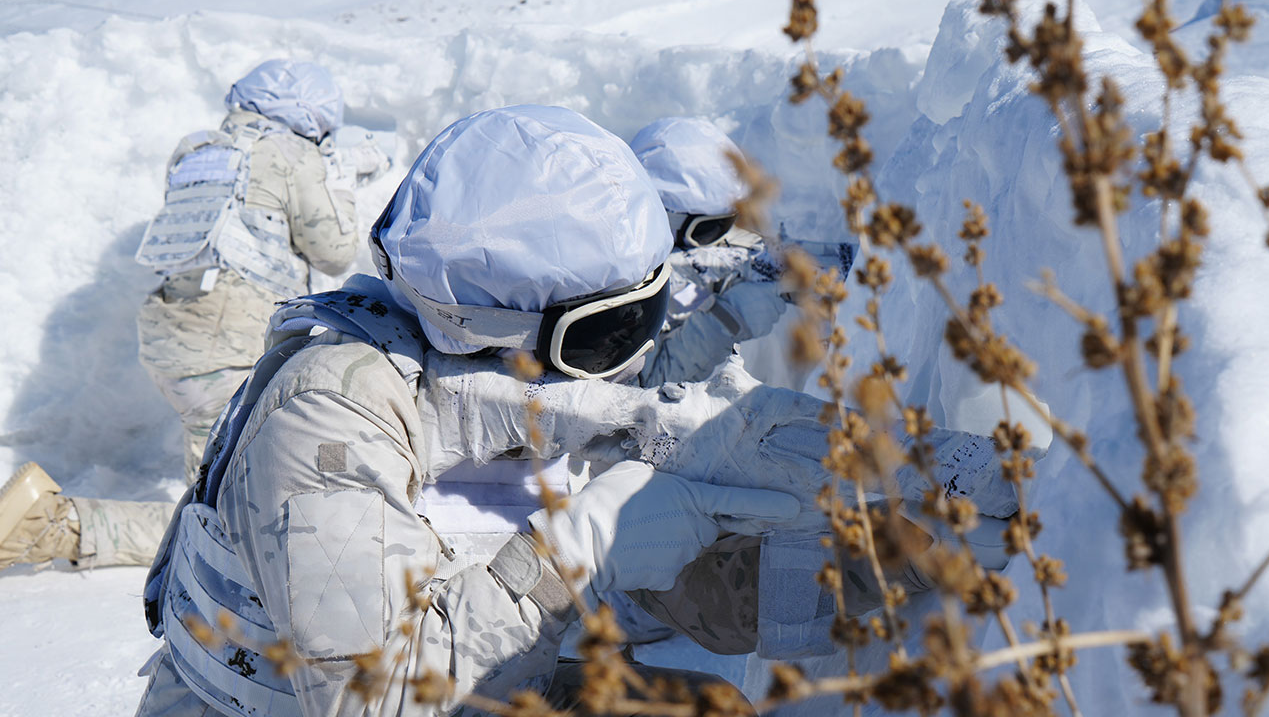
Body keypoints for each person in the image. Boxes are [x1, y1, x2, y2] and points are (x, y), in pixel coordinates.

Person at [132, 104, 815, 717]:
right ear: (491, 319)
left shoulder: (462, 365)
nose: (625, 354)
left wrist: (683, 442)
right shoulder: (324, 415)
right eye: (605, 330)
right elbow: (377, 700)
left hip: (462, 652)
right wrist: (575, 554)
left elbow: (671, 578)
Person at [0, 59, 390, 573]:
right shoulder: (289, 151)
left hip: (175, 338)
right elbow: (334, 250)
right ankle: (54, 524)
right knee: (227, 518)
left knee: (222, 488)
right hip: (228, 340)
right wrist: (336, 179)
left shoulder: (197, 149)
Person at [628, 117, 852, 388]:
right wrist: (728, 319)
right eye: (710, 229)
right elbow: (640, 391)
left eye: (733, 221)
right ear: (661, 217)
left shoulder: (698, 250)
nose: (725, 238)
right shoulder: (622, 277)